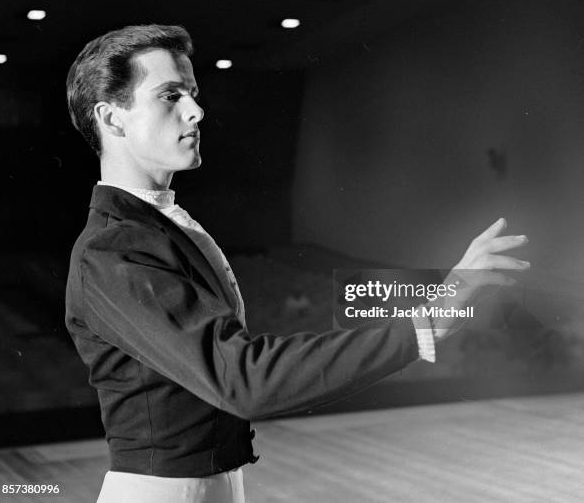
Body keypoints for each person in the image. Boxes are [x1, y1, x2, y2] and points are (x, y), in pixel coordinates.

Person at [64, 24, 530, 503]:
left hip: (208, 485)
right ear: (112, 118)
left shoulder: (152, 228)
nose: (196, 110)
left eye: (193, 93)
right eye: (170, 95)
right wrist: (427, 321)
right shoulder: (111, 250)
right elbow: (243, 378)